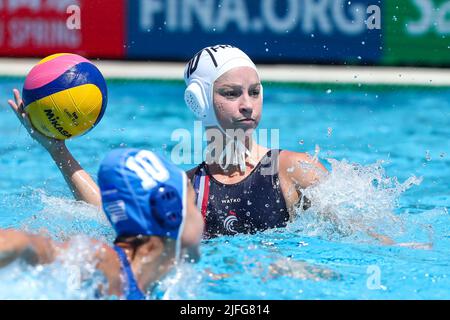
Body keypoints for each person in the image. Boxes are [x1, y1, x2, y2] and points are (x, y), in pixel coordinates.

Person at [0, 148, 204, 299]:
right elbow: (26, 244)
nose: (201, 217)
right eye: (193, 203)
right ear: (170, 214)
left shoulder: (170, 273)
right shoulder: (108, 265)